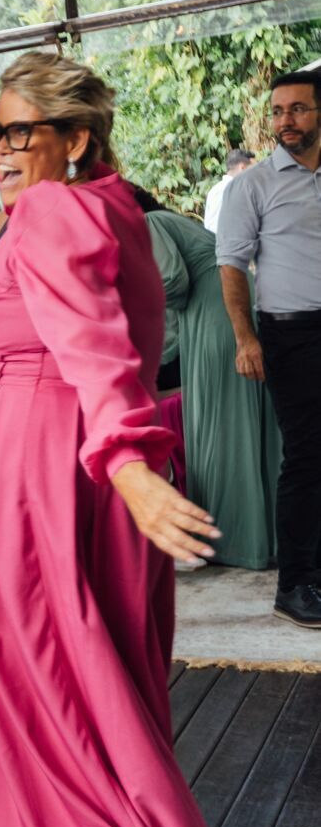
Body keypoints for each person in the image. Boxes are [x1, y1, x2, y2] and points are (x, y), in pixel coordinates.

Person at [0, 50, 242, 827]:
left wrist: (132, 464)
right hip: (64, 462)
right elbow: (27, 181)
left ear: (74, 138)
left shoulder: (55, 209)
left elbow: (91, 343)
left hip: (41, 463)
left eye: (14, 133)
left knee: (41, 667)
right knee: (81, 665)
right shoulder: (101, 199)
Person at [218, 68, 321, 627]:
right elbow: (231, 265)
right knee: (306, 457)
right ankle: (294, 585)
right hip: (290, 333)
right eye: (279, 111)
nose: (286, 120)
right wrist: (245, 338)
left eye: (299, 109)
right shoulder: (251, 185)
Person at [148, 209, 279, 569]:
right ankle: (264, 537)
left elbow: (172, 281)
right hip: (223, 307)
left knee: (221, 429)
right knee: (242, 425)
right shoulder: (169, 221)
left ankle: (234, 541)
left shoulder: (148, 221)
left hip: (217, 312)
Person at [204, 148, 253, 234]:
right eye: (253, 169)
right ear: (242, 168)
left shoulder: (229, 188)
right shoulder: (223, 190)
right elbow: (214, 227)